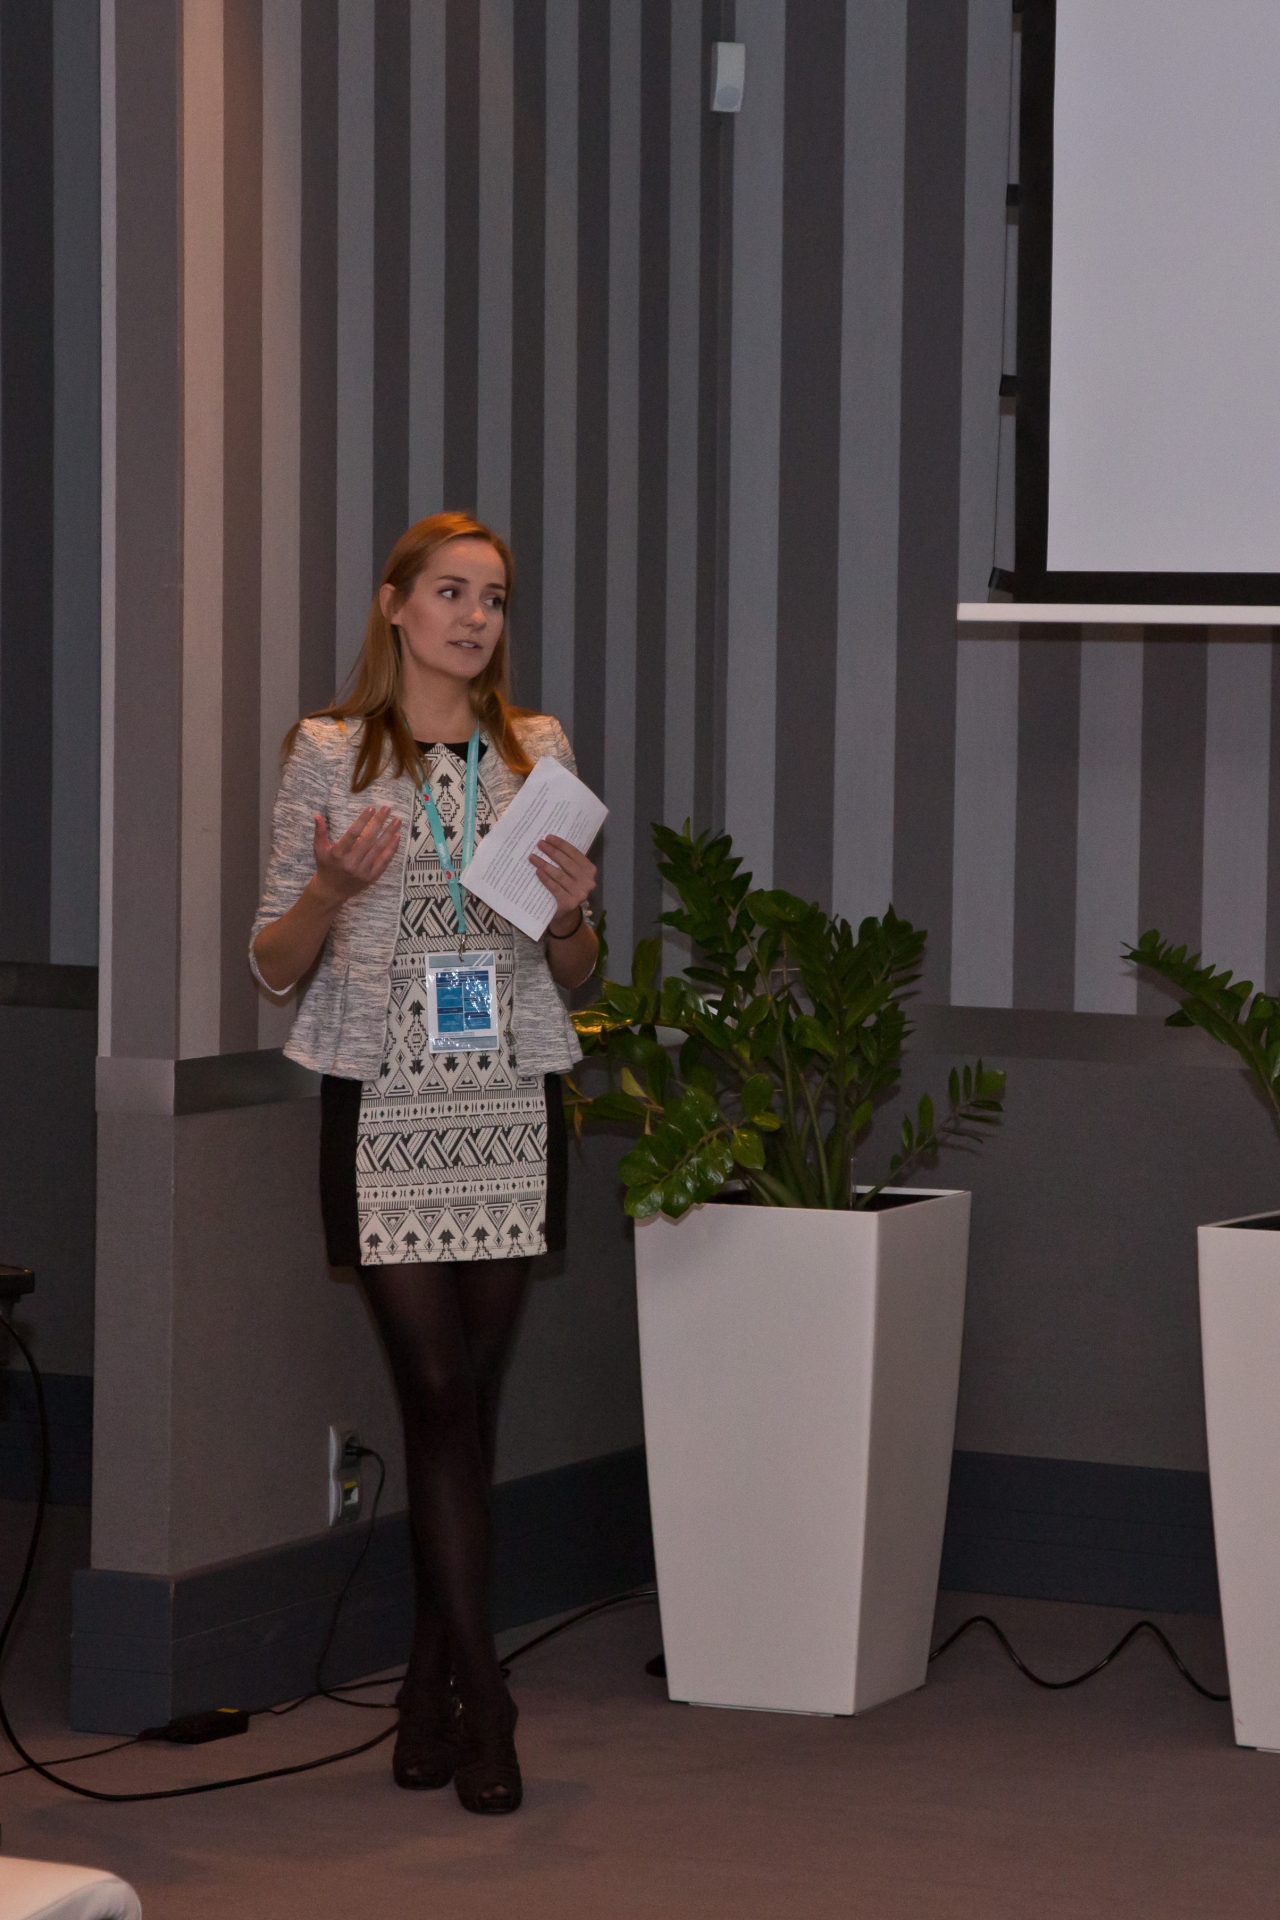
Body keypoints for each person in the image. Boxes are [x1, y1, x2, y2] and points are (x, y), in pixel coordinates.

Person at [250, 512, 598, 1815]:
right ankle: (486, 1699)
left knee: (466, 1413)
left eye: (493, 599)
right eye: (450, 592)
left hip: (508, 1093)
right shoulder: (328, 752)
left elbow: (576, 970)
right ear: (395, 604)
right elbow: (272, 962)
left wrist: (574, 918)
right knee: (438, 1395)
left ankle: (422, 1689)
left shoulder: (536, 751)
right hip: (384, 1099)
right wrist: (331, 892)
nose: (475, 618)